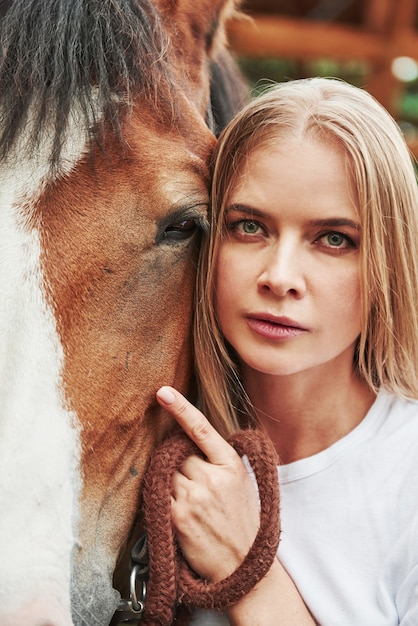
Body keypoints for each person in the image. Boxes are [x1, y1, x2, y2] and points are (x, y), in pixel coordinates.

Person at [156, 77, 418, 625]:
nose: (280, 277)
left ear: (388, 264)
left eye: (334, 239)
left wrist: (245, 566)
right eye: (249, 227)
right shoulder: (150, 434)